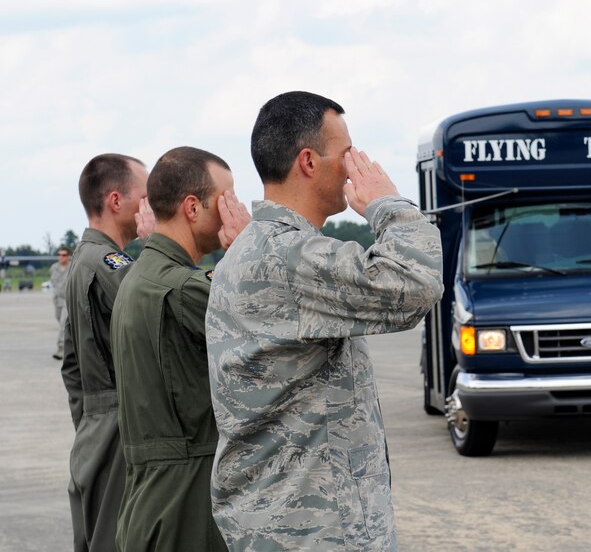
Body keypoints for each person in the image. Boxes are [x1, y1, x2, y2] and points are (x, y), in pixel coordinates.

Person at [205, 91, 444, 551]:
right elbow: (415, 285)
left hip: (293, 522)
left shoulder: (268, 248)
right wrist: (387, 204)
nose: (356, 164)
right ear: (309, 162)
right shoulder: (286, 255)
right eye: (347, 152)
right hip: (311, 531)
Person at [110, 147, 250, 551]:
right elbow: (276, 323)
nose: (232, 210)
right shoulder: (182, 288)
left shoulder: (140, 275)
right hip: (186, 505)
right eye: (226, 199)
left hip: (151, 499)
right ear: (192, 207)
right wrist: (249, 250)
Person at [61, 153, 153, 552]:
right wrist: (158, 247)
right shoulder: (108, 262)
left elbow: (70, 365)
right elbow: (154, 308)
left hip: (99, 428)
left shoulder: (83, 260)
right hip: (119, 427)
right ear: (117, 201)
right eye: (145, 198)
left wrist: (91, 420)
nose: (150, 207)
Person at [50, 247, 71, 360]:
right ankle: (71, 344)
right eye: (59, 255)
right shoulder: (54, 268)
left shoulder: (73, 266)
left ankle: (61, 348)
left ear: (68, 256)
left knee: (63, 323)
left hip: (68, 299)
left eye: (63, 255)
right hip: (57, 299)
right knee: (60, 320)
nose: (61, 257)